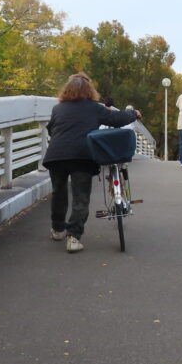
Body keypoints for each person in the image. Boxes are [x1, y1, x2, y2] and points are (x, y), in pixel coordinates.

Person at [43, 74, 140, 253]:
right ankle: (73, 237)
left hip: (57, 155)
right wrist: (133, 114)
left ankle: (57, 230)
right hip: (82, 156)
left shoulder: (58, 108)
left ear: (67, 90)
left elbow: (50, 129)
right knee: (81, 197)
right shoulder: (94, 108)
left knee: (59, 193)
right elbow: (116, 119)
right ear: (90, 90)